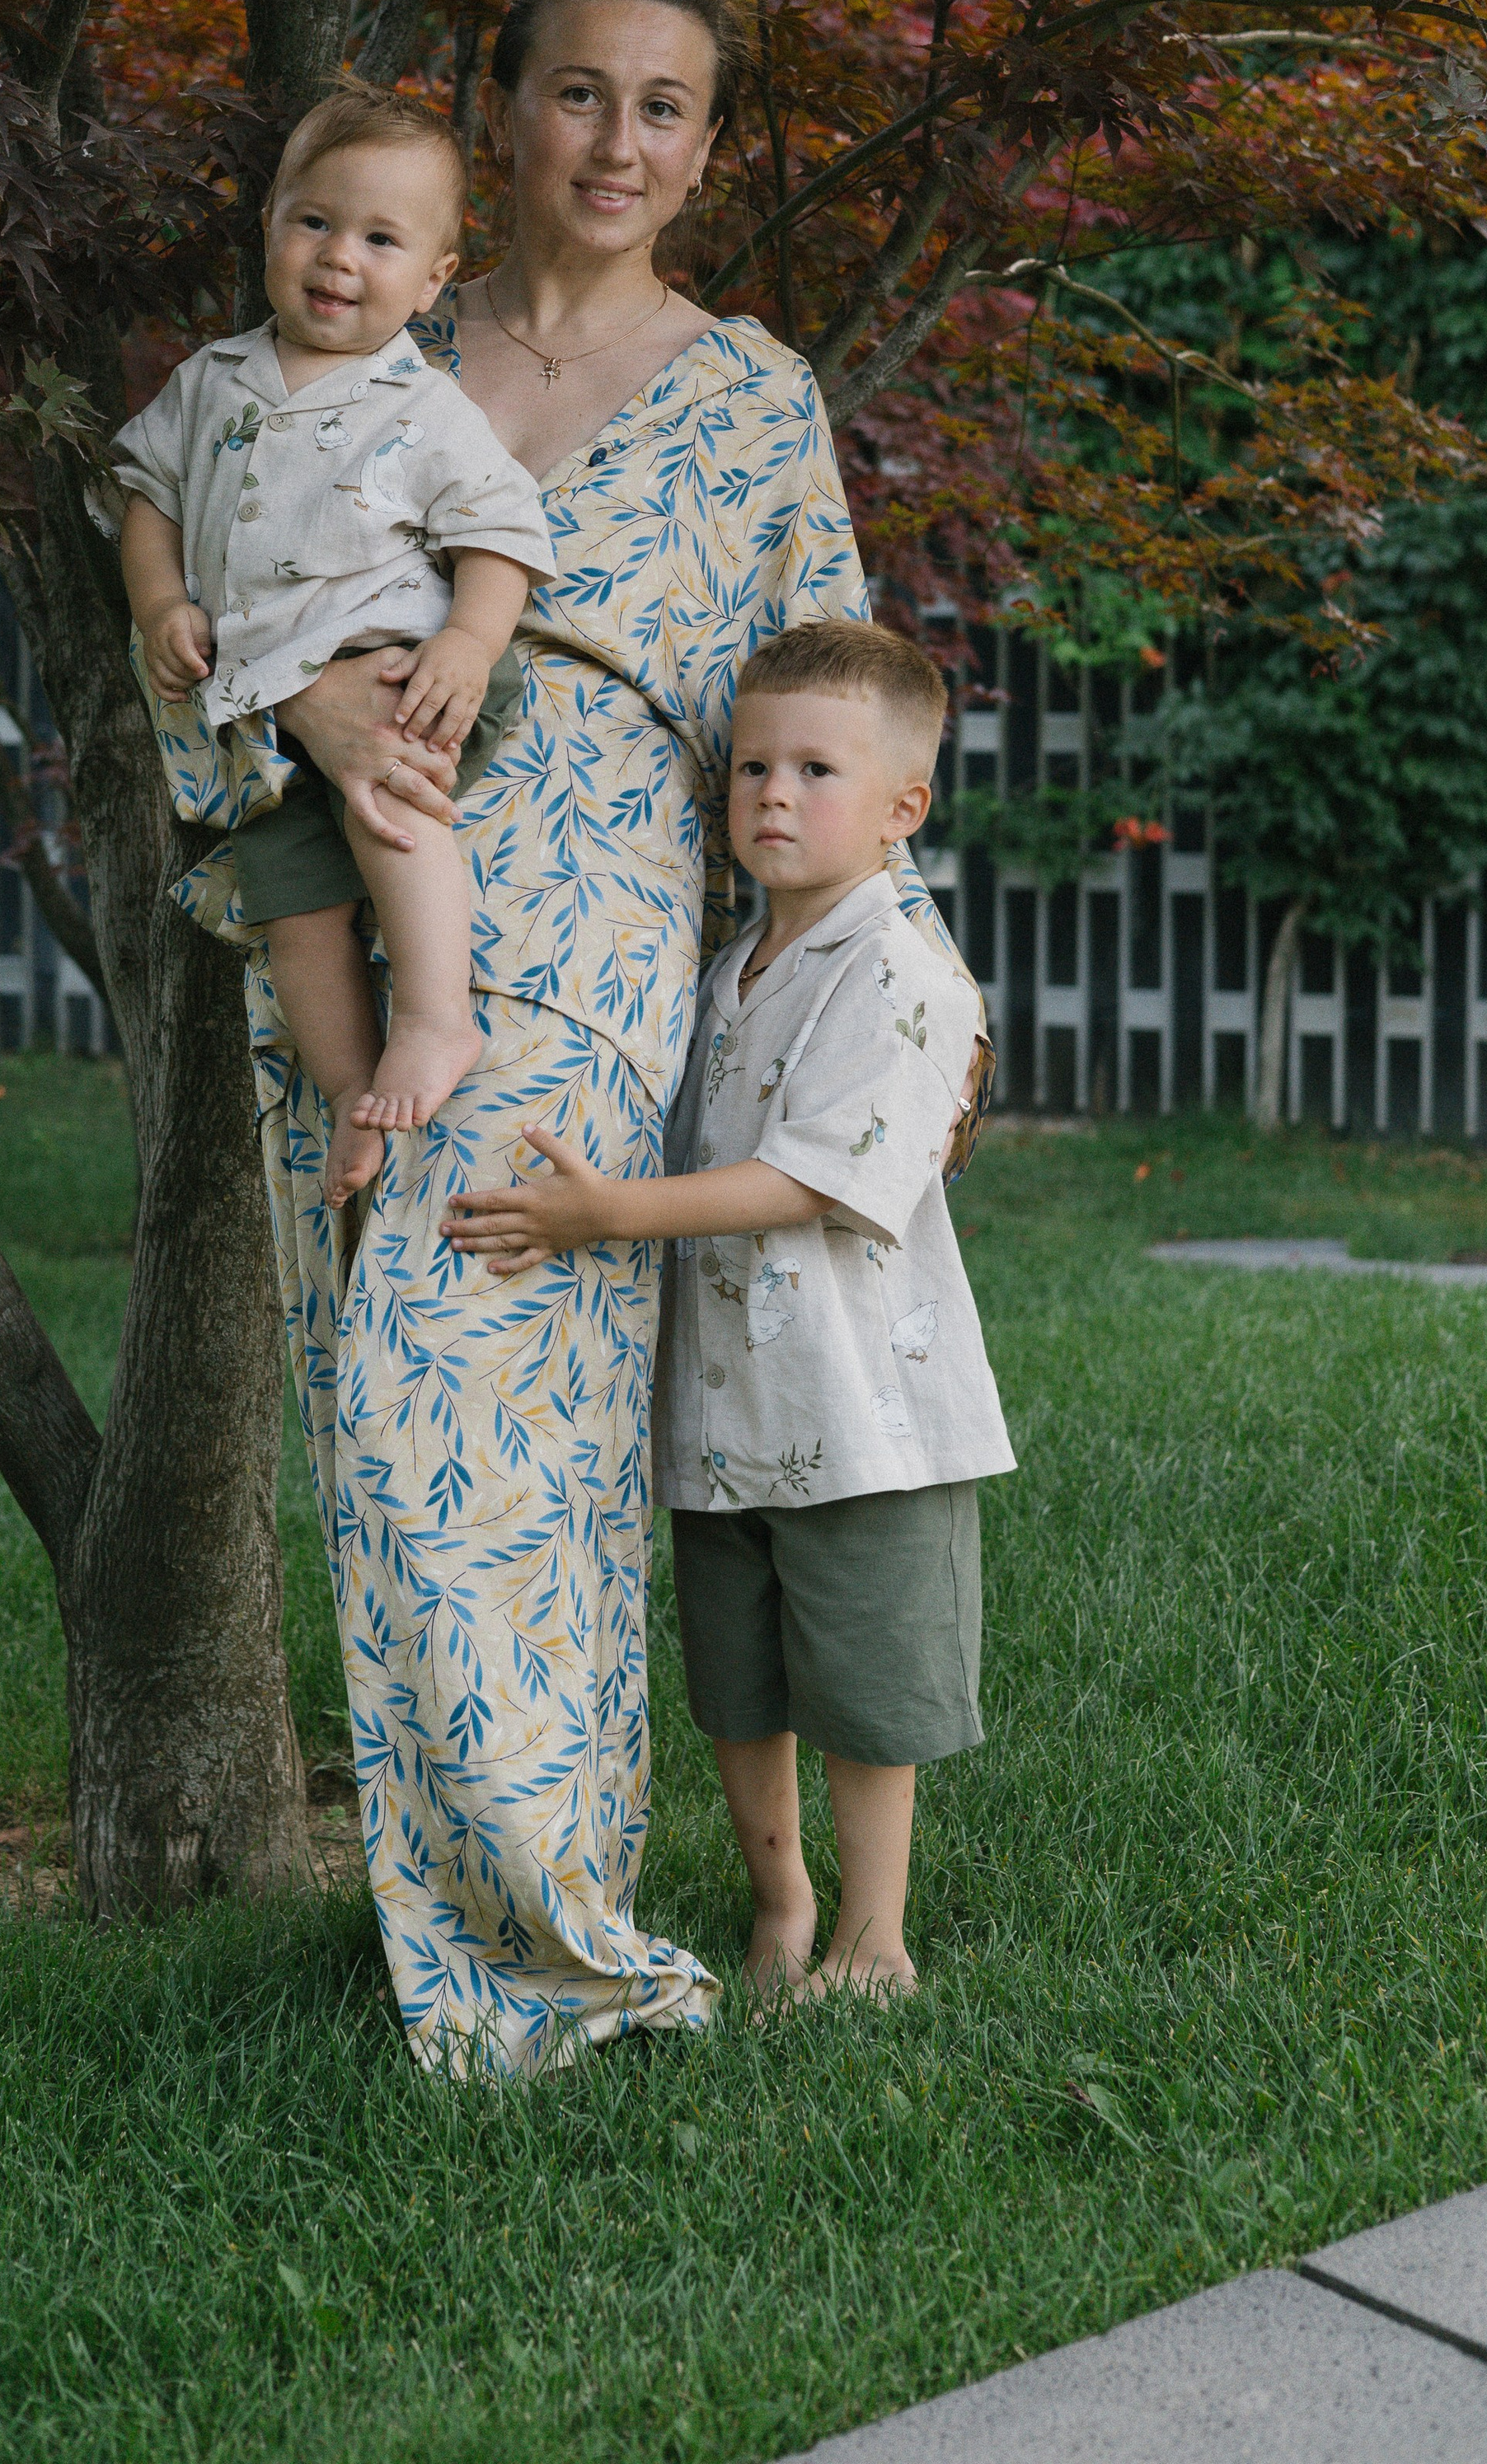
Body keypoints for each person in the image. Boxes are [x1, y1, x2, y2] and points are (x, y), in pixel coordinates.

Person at [143, 0, 991, 2073]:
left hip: (592, 921)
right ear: (500, 109)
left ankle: (551, 1963)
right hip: (340, 892)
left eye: (671, 106)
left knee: (454, 1389)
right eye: (583, 93)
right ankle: (509, 1914)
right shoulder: (339, 337)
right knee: (431, 1427)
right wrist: (298, 702)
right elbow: (181, 607)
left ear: (707, 146)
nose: (622, 141)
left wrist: (915, 1010)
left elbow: (843, 727)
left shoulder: (749, 397)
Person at [444, 618, 1011, 1999]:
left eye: (816, 770)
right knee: (740, 1683)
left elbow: (808, 1182)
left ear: (901, 810)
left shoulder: (902, 975)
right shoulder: (728, 968)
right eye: (753, 765)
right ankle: (782, 1906)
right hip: (722, 1407)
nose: (770, 794)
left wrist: (604, 1216)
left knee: (870, 1692)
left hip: (861, 1412)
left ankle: (877, 1940)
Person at [110, 85, 555, 1206]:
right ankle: (352, 1095)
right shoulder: (210, 382)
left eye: (381, 239)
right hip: (268, 718)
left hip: (405, 667)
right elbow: (147, 502)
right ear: (271, 223)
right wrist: (164, 605)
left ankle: (438, 1019)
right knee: (294, 905)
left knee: (390, 809)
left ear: (435, 276)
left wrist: (468, 635)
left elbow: (500, 534)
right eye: (314, 221)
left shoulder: (421, 404)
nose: (338, 257)